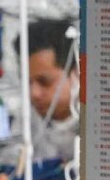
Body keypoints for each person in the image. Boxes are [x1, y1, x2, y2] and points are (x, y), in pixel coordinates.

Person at [18, 18, 79, 161]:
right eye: (28, 82)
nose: (34, 93)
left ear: (77, 74)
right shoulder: (26, 124)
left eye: (44, 82)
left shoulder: (99, 131)